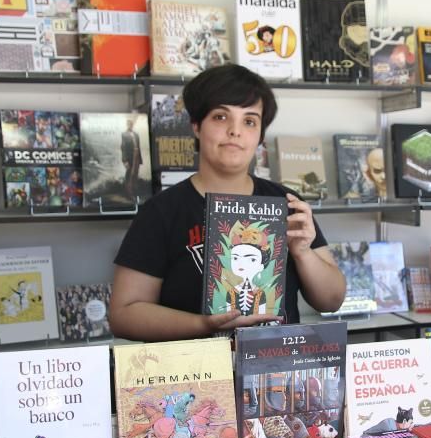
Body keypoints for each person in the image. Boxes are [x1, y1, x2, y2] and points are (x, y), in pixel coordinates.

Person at [110, 64, 346, 341]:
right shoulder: (161, 212)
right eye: (221, 117)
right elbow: (124, 315)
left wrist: (303, 252)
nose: (235, 131)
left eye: (249, 121)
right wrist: (204, 324)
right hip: (194, 374)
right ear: (196, 126)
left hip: (274, 369)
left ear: (260, 135)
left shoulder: (287, 203)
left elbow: (331, 301)